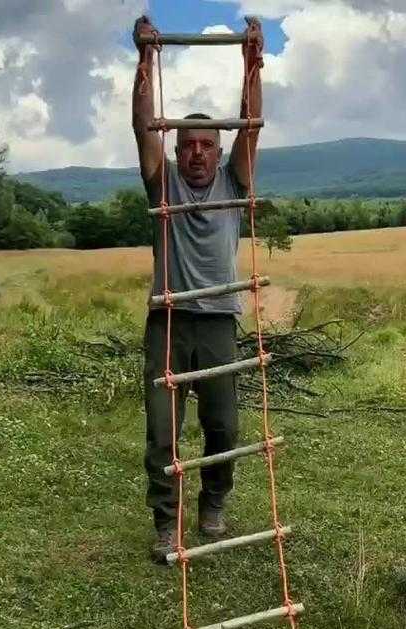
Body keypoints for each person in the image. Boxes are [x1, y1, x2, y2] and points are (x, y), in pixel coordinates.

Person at [132, 15, 264, 563]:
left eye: (207, 144)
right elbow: (143, 130)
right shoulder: (162, 183)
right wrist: (143, 63)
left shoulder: (235, 183)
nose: (197, 153)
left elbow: (252, 125)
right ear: (178, 149)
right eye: (188, 144)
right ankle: (167, 524)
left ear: (217, 149)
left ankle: (214, 502)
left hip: (217, 324)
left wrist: (251, 62)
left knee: (223, 427)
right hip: (167, 321)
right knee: (163, 435)